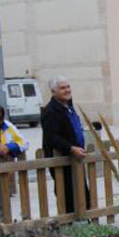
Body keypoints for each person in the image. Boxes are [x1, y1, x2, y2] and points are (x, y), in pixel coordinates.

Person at [41, 75, 90, 214]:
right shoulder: (50, 111)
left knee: (82, 193)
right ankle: (71, 223)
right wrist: (71, 148)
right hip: (63, 159)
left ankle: (84, 219)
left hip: (76, 158)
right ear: (53, 91)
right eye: (62, 88)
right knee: (68, 194)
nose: (67, 90)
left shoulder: (68, 106)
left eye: (68, 87)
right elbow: (52, 137)